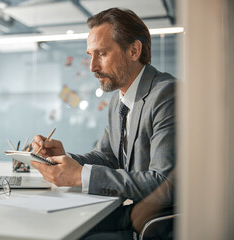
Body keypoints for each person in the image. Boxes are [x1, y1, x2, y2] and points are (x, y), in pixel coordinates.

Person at [31, 7, 176, 239]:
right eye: (90, 55)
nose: (92, 67)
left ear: (134, 50)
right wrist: (62, 158)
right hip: (134, 210)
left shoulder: (166, 94)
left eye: (102, 54)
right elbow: (106, 157)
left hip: (155, 220)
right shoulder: (119, 101)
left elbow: (164, 183)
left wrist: (80, 175)